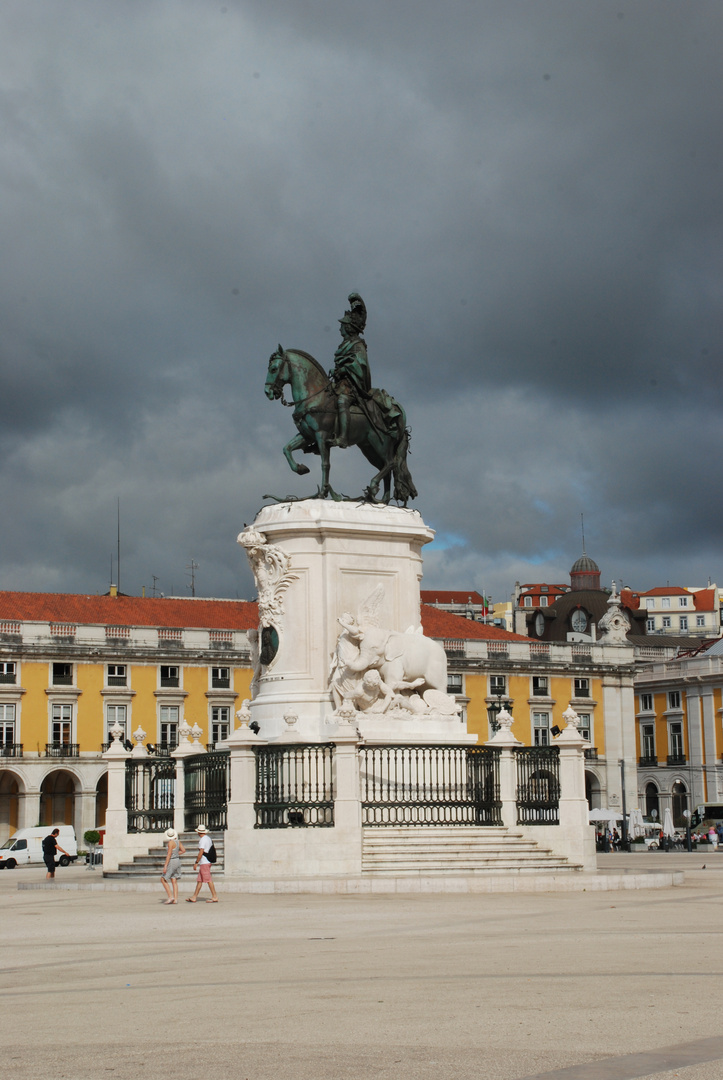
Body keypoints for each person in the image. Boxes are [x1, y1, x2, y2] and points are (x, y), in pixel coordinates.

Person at [186, 824, 218, 903]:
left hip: (205, 862)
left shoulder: (202, 840)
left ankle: (214, 896)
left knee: (208, 879)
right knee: (200, 880)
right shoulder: (208, 838)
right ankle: (194, 896)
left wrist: (196, 862)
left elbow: (201, 852)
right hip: (207, 861)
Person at [160, 827, 186, 905]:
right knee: (173, 879)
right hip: (177, 860)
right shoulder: (178, 842)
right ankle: (175, 898)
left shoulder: (170, 843)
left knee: (163, 879)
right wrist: (176, 854)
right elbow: (183, 850)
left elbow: (169, 854)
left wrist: (165, 865)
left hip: (172, 861)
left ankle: (170, 897)